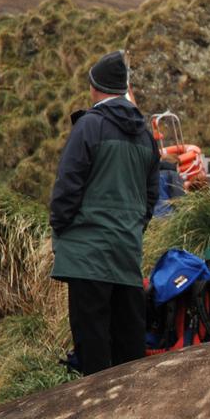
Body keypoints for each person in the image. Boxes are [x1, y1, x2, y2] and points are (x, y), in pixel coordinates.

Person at [49, 50, 159, 375]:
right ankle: (133, 415)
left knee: (92, 345)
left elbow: (67, 187)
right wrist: (132, 228)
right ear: (124, 89)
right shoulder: (145, 134)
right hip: (125, 253)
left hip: (86, 257)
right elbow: (151, 197)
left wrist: (62, 227)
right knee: (129, 348)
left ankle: (96, 417)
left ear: (95, 87)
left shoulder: (89, 126)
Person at [153, 153, 186, 218]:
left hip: (153, 215)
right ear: (176, 164)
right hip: (168, 215)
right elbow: (178, 196)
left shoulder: (153, 175)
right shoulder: (173, 174)